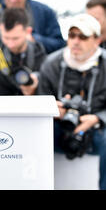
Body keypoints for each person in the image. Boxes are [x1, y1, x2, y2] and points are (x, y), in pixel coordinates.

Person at [37, 13, 106, 190]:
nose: (76, 41)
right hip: (58, 125)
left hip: (95, 128)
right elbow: (41, 99)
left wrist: (97, 119)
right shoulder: (51, 63)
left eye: (83, 37)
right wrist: (52, 109)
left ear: (97, 40)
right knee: (34, 136)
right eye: (72, 35)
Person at [0, 7, 46, 96]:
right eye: (6, 38)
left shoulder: (39, 54)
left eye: (15, 38)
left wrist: (36, 88)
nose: (10, 44)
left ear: (28, 31)